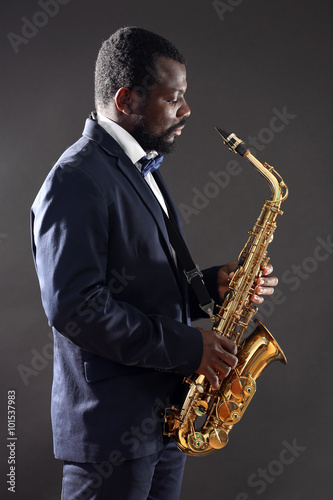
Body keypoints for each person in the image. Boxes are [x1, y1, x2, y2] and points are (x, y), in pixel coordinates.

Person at [31, 27, 278, 500]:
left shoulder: (138, 169)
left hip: (162, 422)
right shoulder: (76, 179)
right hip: (111, 431)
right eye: (175, 98)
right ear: (127, 99)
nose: (186, 111)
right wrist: (189, 348)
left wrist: (211, 286)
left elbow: (134, 284)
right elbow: (76, 308)